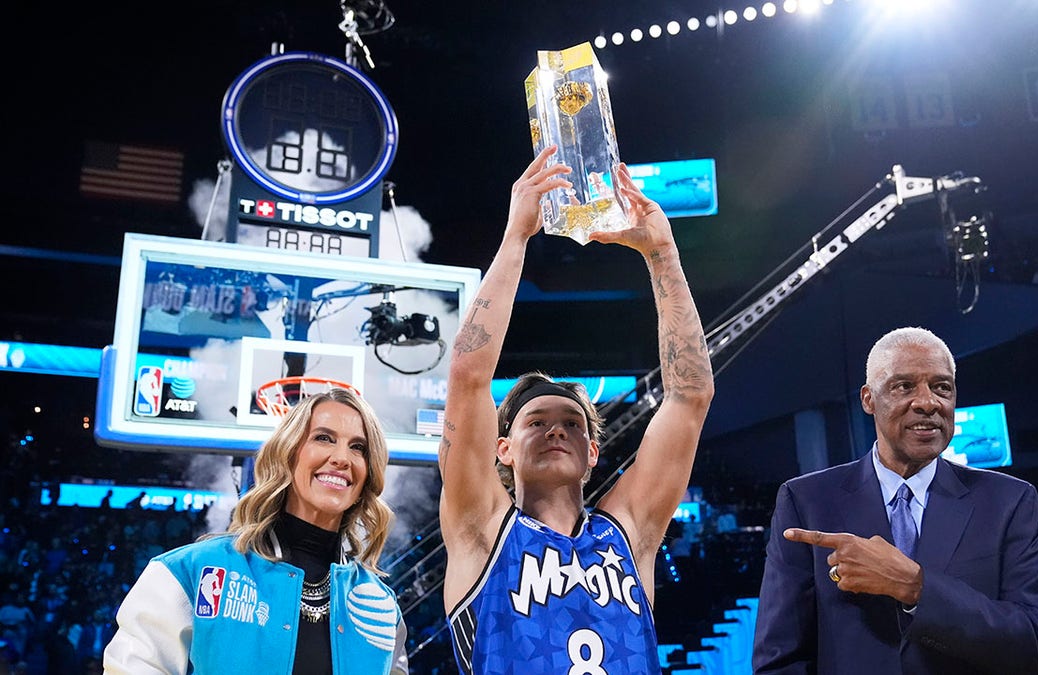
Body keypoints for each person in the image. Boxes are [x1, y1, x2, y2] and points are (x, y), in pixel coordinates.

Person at [438, 145, 714, 674]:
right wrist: (516, 237)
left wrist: (662, 254)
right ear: (504, 449)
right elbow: (469, 378)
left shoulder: (627, 532)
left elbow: (690, 396)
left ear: (593, 453)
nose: (555, 432)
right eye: (535, 423)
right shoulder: (482, 528)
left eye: (570, 424)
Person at [752, 326, 1038, 674]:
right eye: (904, 386)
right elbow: (779, 662)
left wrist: (918, 587)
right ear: (868, 399)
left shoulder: (1008, 501)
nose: (927, 402)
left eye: (941, 387)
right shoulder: (806, 502)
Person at [104, 388, 409, 674]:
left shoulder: (382, 606)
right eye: (324, 438)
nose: (342, 458)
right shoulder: (190, 572)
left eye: (358, 447)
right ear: (288, 454)